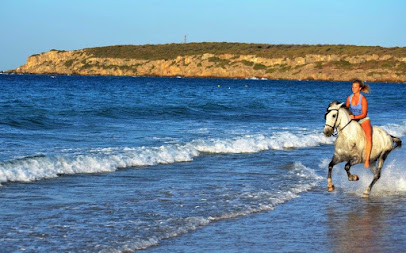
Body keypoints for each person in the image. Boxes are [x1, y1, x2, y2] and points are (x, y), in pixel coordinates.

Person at [346, 79, 372, 168]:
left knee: (368, 137)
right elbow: (346, 110)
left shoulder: (363, 99)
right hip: (353, 119)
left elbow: (364, 114)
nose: (353, 88)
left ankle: (367, 160)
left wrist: (354, 117)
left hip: (363, 119)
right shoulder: (349, 98)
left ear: (360, 88)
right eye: (352, 87)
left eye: (355, 87)